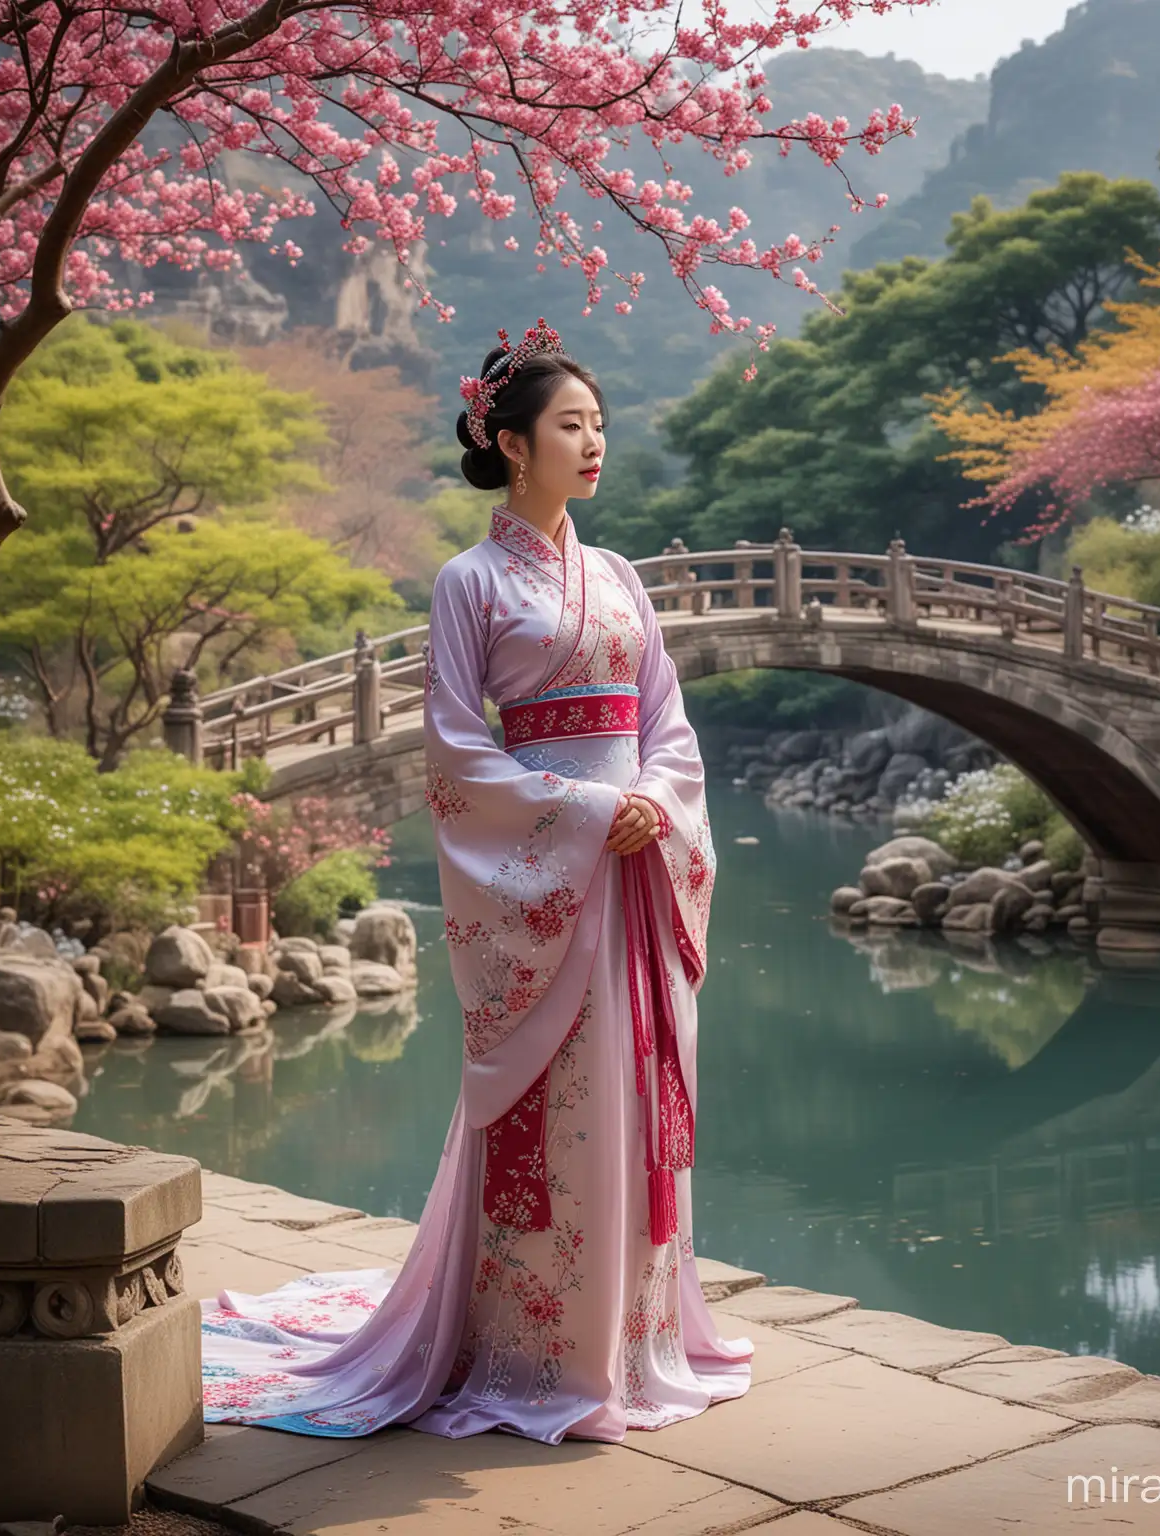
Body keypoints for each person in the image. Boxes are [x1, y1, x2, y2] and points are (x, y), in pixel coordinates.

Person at [197, 319, 753, 1442]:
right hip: (553, 872)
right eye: (569, 424)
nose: (593, 442)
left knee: (641, 1093)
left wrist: (654, 794)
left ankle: (637, 1339)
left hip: (638, 864)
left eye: (599, 423)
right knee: (565, 1103)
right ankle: (540, 1350)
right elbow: (454, 749)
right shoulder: (467, 583)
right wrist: (595, 810)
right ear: (509, 443)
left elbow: (665, 718)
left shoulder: (617, 576)